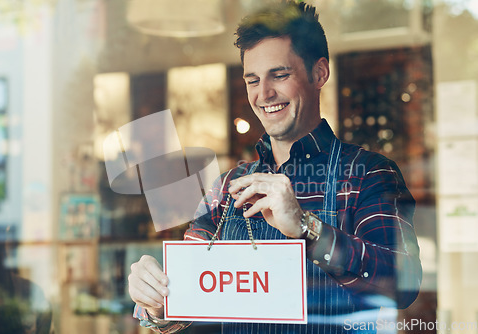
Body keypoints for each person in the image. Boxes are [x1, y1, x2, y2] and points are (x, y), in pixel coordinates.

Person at [128, 1, 422, 333]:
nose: (264, 93)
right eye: (252, 80)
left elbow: (403, 283)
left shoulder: (367, 174)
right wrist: (155, 300)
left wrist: (307, 228)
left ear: (319, 73)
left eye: (279, 75)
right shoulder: (228, 188)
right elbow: (185, 298)